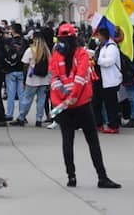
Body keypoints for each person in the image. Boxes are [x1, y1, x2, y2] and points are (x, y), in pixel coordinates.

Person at [50, 23, 120, 189]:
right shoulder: (81, 53)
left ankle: (71, 177)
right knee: (92, 142)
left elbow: (54, 79)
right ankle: (102, 177)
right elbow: (81, 77)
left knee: (67, 141)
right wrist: (73, 97)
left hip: (65, 106)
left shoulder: (56, 56)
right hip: (81, 104)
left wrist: (65, 98)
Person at [14, 32, 51, 127]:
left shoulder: (30, 50)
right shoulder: (47, 51)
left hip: (32, 79)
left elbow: (25, 65)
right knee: (41, 100)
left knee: (27, 99)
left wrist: (24, 79)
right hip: (44, 80)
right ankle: (39, 119)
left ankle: (21, 117)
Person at [96, 26, 122, 134]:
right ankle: (105, 123)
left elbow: (109, 62)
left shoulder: (112, 47)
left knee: (111, 105)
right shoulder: (103, 47)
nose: (98, 38)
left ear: (103, 36)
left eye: (99, 36)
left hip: (111, 80)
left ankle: (114, 126)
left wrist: (98, 60)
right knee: (105, 103)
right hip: (104, 80)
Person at [3, 23, 26, 121]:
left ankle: (9, 114)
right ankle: (22, 115)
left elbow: (5, 54)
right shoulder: (25, 41)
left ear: (13, 30)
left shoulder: (9, 41)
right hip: (21, 69)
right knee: (21, 95)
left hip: (10, 70)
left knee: (11, 94)